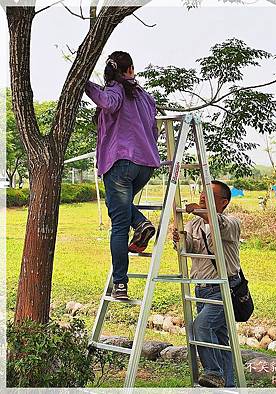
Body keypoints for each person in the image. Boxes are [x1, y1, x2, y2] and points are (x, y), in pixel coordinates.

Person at [85, 51, 160, 300]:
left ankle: (120, 285)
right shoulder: (145, 97)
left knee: (118, 224)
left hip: (120, 162)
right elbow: (154, 130)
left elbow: (107, 102)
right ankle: (140, 223)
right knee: (119, 206)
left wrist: (83, 83)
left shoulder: (116, 90)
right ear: (131, 69)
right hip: (145, 165)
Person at [172, 180, 241, 388]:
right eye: (202, 193)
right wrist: (180, 239)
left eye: (209, 195)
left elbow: (217, 224)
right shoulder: (194, 225)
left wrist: (200, 211)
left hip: (223, 287)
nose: (202, 197)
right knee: (220, 341)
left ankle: (214, 372)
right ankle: (228, 386)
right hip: (201, 288)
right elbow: (189, 249)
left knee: (201, 326)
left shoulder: (232, 222)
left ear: (224, 202)